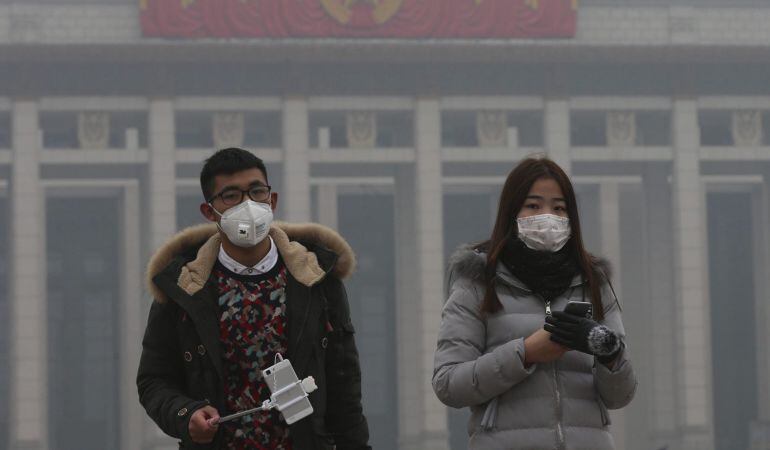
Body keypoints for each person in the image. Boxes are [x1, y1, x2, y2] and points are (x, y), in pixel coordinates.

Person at [137, 147, 371, 450]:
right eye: (231, 196)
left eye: (256, 191)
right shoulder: (184, 289)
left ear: (272, 200)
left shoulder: (316, 281)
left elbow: (344, 387)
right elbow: (154, 381)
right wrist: (186, 414)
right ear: (210, 212)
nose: (248, 204)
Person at [432, 157, 637, 449]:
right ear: (511, 211)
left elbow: (620, 396)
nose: (547, 217)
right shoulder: (478, 283)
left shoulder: (593, 283)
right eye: (533, 205)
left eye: (559, 208)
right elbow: (448, 383)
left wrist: (609, 351)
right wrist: (525, 353)